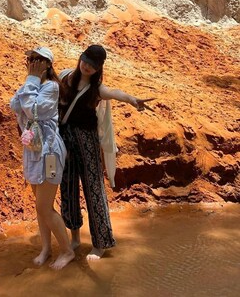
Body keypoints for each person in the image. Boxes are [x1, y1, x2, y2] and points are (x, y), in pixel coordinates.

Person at [58, 44, 154, 261]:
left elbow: (114, 93)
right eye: (85, 61)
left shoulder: (96, 89)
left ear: (98, 68)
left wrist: (132, 99)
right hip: (64, 140)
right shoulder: (65, 77)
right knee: (68, 188)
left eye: (92, 65)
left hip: (87, 142)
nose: (87, 67)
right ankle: (74, 237)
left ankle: (100, 244)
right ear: (81, 57)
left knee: (94, 189)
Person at [10, 46, 75, 270]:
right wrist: (30, 81)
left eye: (39, 59)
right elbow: (14, 105)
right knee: (40, 207)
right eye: (31, 59)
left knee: (44, 206)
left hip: (50, 153)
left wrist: (31, 80)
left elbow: (32, 110)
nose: (33, 62)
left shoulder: (51, 87)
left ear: (48, 64)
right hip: (34, 150)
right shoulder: (34, 83)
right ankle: (46, 249)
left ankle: (67, 251)